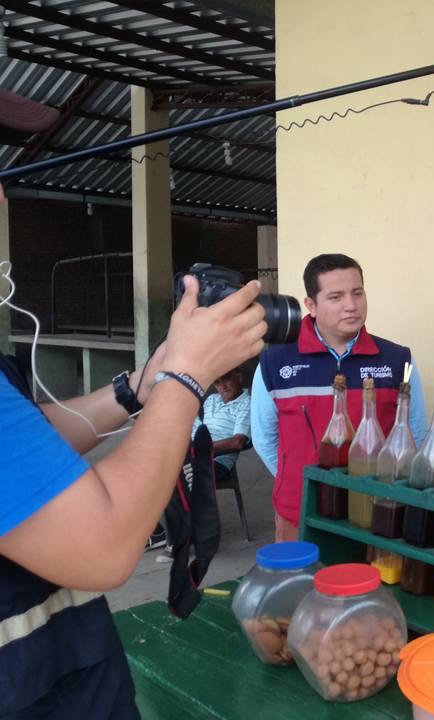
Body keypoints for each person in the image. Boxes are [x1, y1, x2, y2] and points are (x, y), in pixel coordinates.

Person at [0, 182, 266, 717]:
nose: (4, 196)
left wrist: (140, 387)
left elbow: (26, 445)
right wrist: (187, 377)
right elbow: (102, 547)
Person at [251, 253, 427, 542]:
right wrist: (303, 484)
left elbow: (416, 434)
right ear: (311, 305)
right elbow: (264, 439)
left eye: (357, 293)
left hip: (378, 514)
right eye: (336, 297)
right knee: (301, 573)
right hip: (299, 514)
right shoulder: (275, 363)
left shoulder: (398, 360)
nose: (351, 305)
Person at [155, 367, 252, 562]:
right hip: (192, 454)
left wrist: (196, 448)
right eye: (217, 382)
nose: (222, 386)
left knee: (174, 478)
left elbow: (237, 442)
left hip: (217, 461)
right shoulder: (211, 400)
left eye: (226, 379)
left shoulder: (247, 403)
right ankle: (157, 533)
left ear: (239, 376)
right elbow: (195, 430)